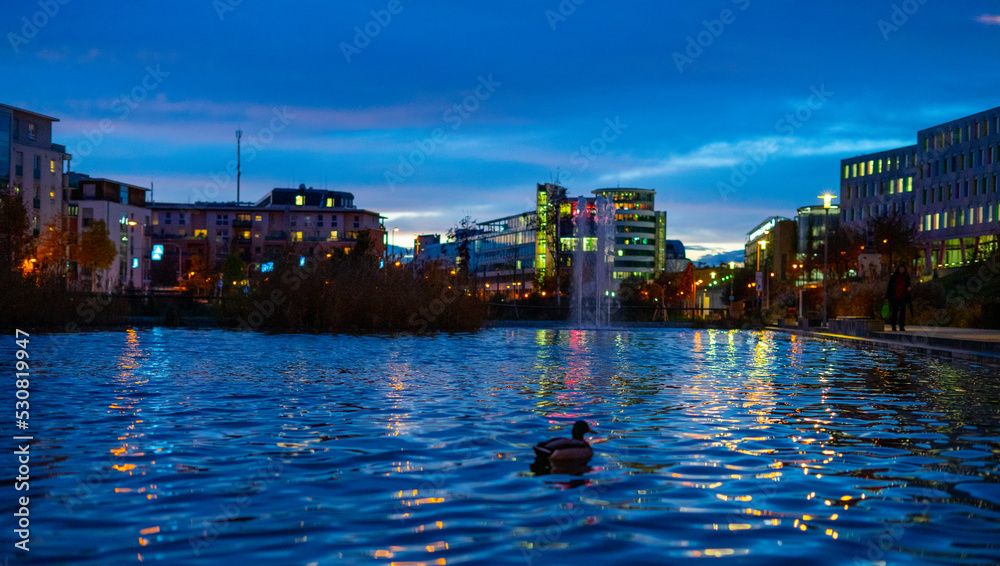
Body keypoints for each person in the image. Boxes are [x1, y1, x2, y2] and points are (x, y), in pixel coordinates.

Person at [885, 263, 912, 331]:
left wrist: (909, 288)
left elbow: (909, 285)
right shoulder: (894, 276)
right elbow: (890, 287)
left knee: (902, 312)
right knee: (894, 311)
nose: (902, 269)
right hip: (895, 296)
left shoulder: (906, 277)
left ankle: (901, 326)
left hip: (903, 296)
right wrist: (887, 297)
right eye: (900, 268)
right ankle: (893, 325)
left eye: (903, 268)